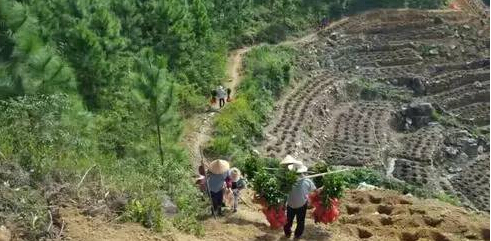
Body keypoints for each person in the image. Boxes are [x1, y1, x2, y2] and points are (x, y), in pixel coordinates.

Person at [284, 164, 316, 239]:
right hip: (299, 204)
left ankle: (288, 233)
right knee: (299, 221)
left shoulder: (288, 180)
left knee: (289, 220)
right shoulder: (306, 181)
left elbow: (314, 190)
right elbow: (315, 190)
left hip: (292, 204)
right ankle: (296, 234)